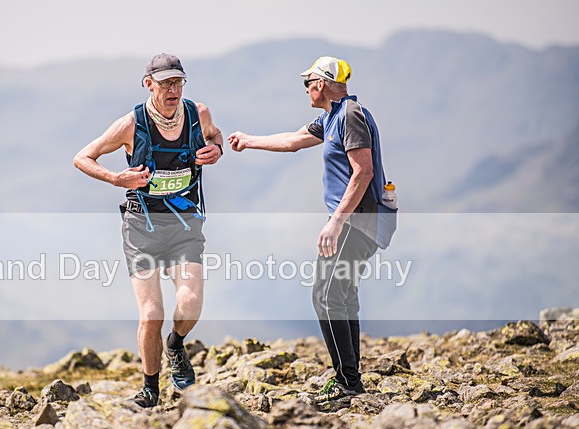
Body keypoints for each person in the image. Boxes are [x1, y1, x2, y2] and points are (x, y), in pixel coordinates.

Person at [228, 56, 391, 402]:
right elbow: (293, 140)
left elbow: (363, 172)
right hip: (356, 220)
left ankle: (348, 382)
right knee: (341, 296)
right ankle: (350, 378)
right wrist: (248, 140)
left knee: (326, 296)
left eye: (307, 83)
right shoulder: (331, 116)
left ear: (321, 83)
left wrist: (335, 222)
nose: (305, 89)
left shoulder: (350, 116)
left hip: (355, 221)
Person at [74, 53, 223, 408]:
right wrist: (115, 178)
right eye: (166, 83)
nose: (173, 90)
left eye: (178, 82)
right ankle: (149, 389)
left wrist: (216, 150)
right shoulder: (130, 124)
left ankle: (176, 344)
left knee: (189, 302)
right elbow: (82, 157)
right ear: (149, 84)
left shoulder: (198, 114)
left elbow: (216, 138)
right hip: (141, 225)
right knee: (151, 312)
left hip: (185, 224)